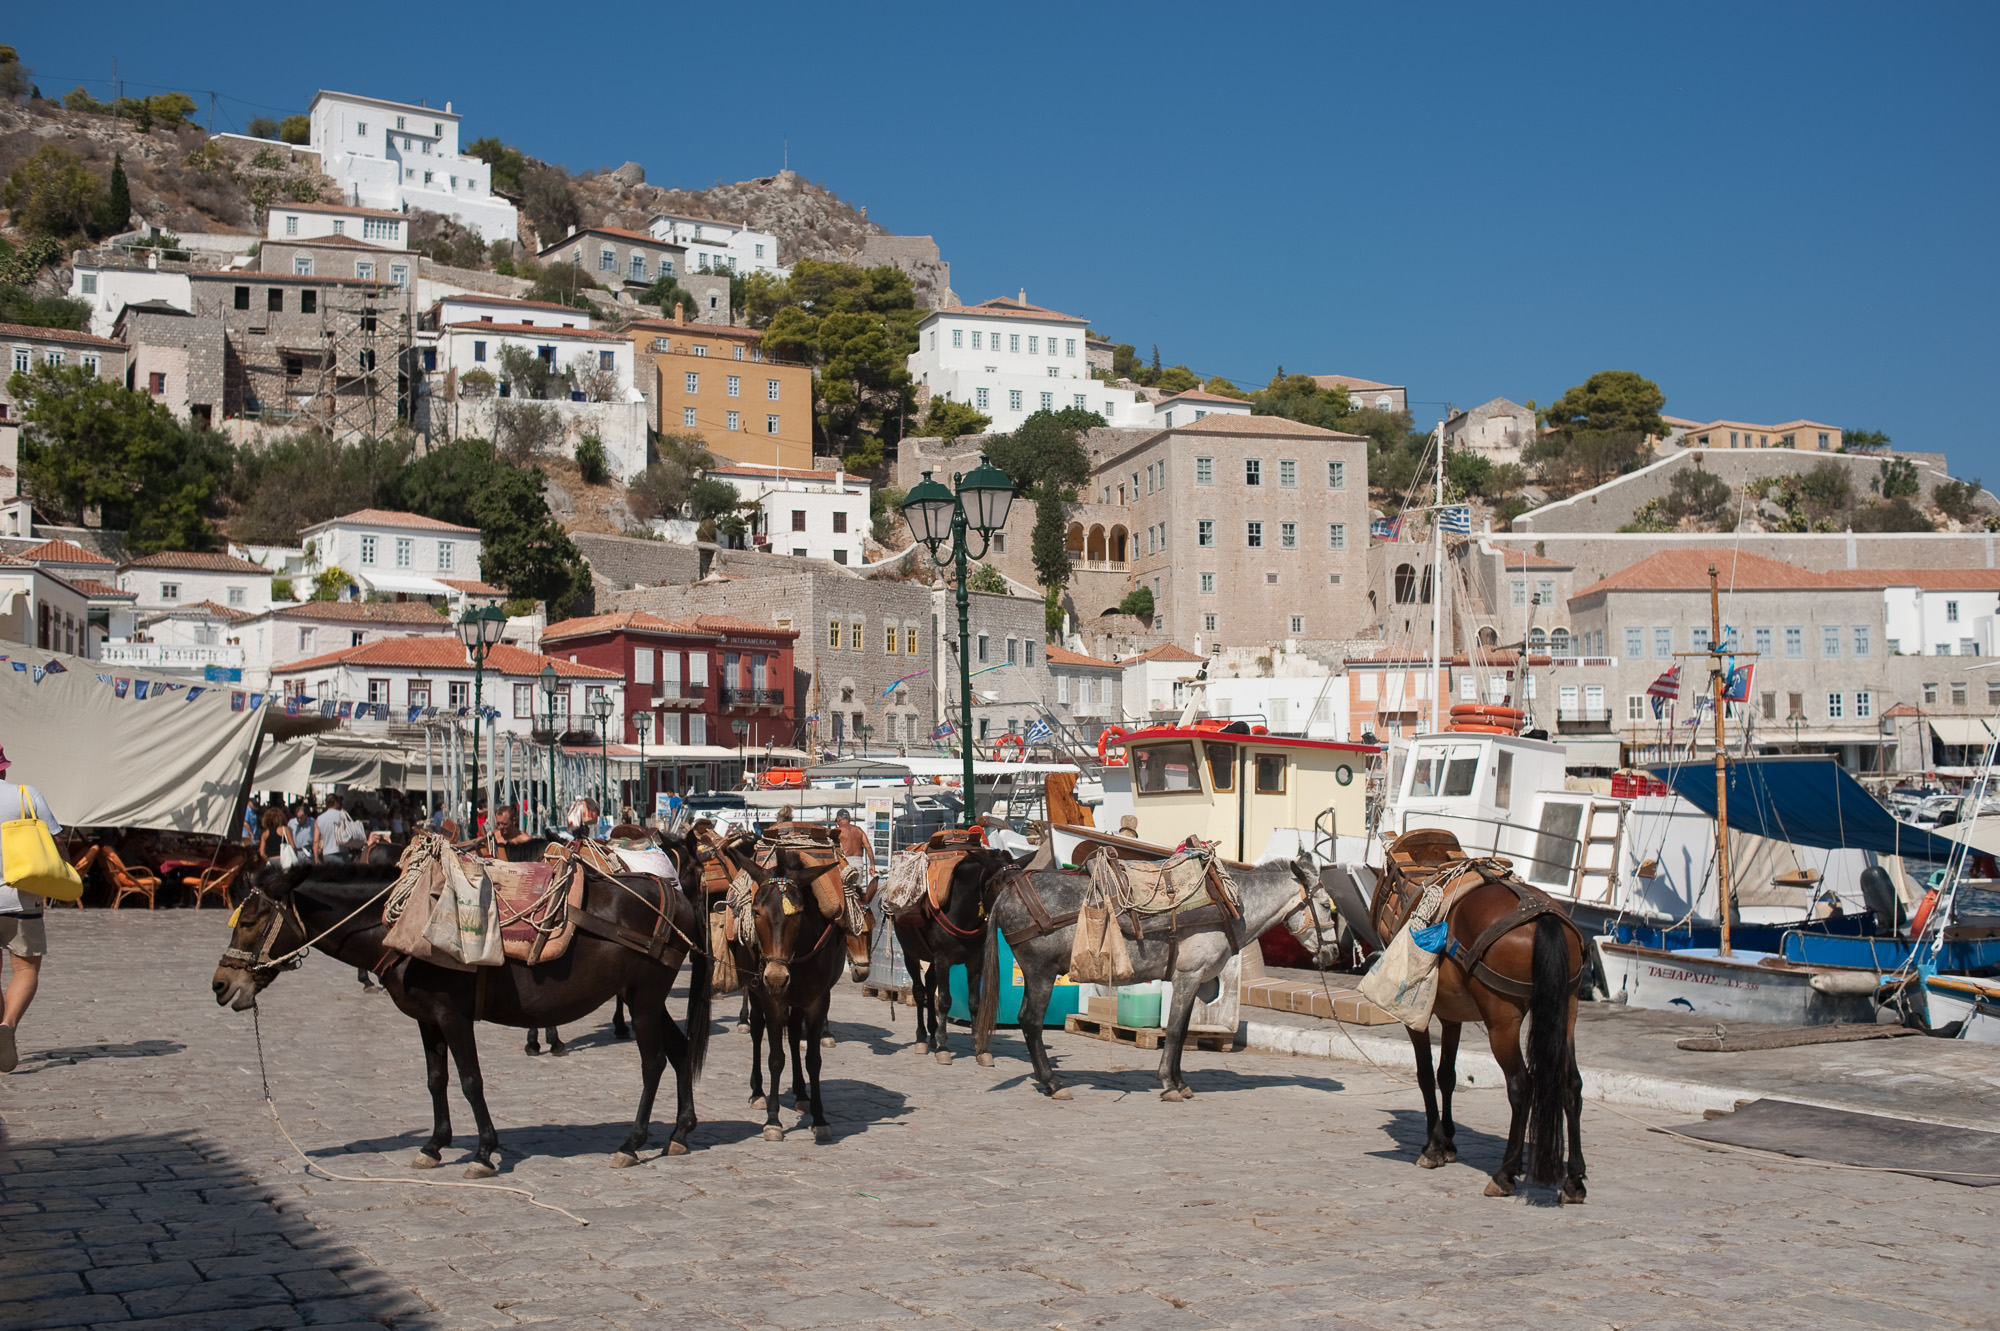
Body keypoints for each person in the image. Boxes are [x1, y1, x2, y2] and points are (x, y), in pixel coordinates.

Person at [0, 745, 61, 1074]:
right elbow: (54, 844)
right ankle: (7, 1026)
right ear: (4, 769)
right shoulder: (27, 795)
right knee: (25, 971)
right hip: (22, 900)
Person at [833, 810, 876, 930]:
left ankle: (843, 922)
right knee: (857, 894)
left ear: (838, 820)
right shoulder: (858, 830)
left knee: (843, 893)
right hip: (858, 862)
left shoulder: (837, 831)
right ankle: (860, 922)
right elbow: (868, 847)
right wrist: (872, 864)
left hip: (844, 863)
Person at [313, 794, 360, 864]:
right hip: (342, 852)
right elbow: (350, 833)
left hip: (327, 854)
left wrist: (316, 858)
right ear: (335, 802)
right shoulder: (342, 815)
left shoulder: (319, 819)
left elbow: (316, 841)